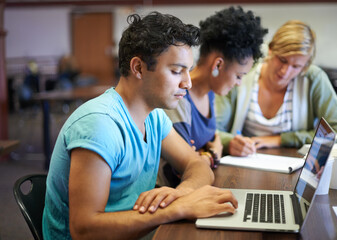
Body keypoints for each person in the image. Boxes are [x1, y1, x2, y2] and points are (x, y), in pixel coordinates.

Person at [42, 12, 238, 240]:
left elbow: (196, 164)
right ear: (138, 68)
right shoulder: (100, 125)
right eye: (176, 71)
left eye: (187, 70)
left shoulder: (154, 116)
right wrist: (175, 208)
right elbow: (84, 229)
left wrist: (181, 194)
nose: (188, 82)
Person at [158, 6, 267, 187]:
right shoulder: (178, 98)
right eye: (238, 76)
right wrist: (214, 153)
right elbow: (181, 170)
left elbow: (209, 139)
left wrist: (216, 146)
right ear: (218, 65)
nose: (238, 83)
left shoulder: (209, 93)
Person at [215, 20, 337, 157]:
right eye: (282, 60)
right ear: (270, 49)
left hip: (292, 165)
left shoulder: (313, 78)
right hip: (244, 162)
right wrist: (230, 142)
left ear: (305, 66)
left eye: (296, 67)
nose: (285, 71)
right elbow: (212, 129)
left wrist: (281, 139)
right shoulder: (242, 72)